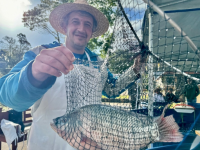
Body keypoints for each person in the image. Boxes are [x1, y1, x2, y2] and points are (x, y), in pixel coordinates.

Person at [0, 0, 145, 149]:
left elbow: (112, 89)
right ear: (64, 26)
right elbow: (6, 95)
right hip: (46, 144)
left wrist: (135, 69)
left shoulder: (98, 62)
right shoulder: (41, 52)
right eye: (75, 21)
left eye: (87, 24)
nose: (81, 28)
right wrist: (32, 74)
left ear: (92, 32)